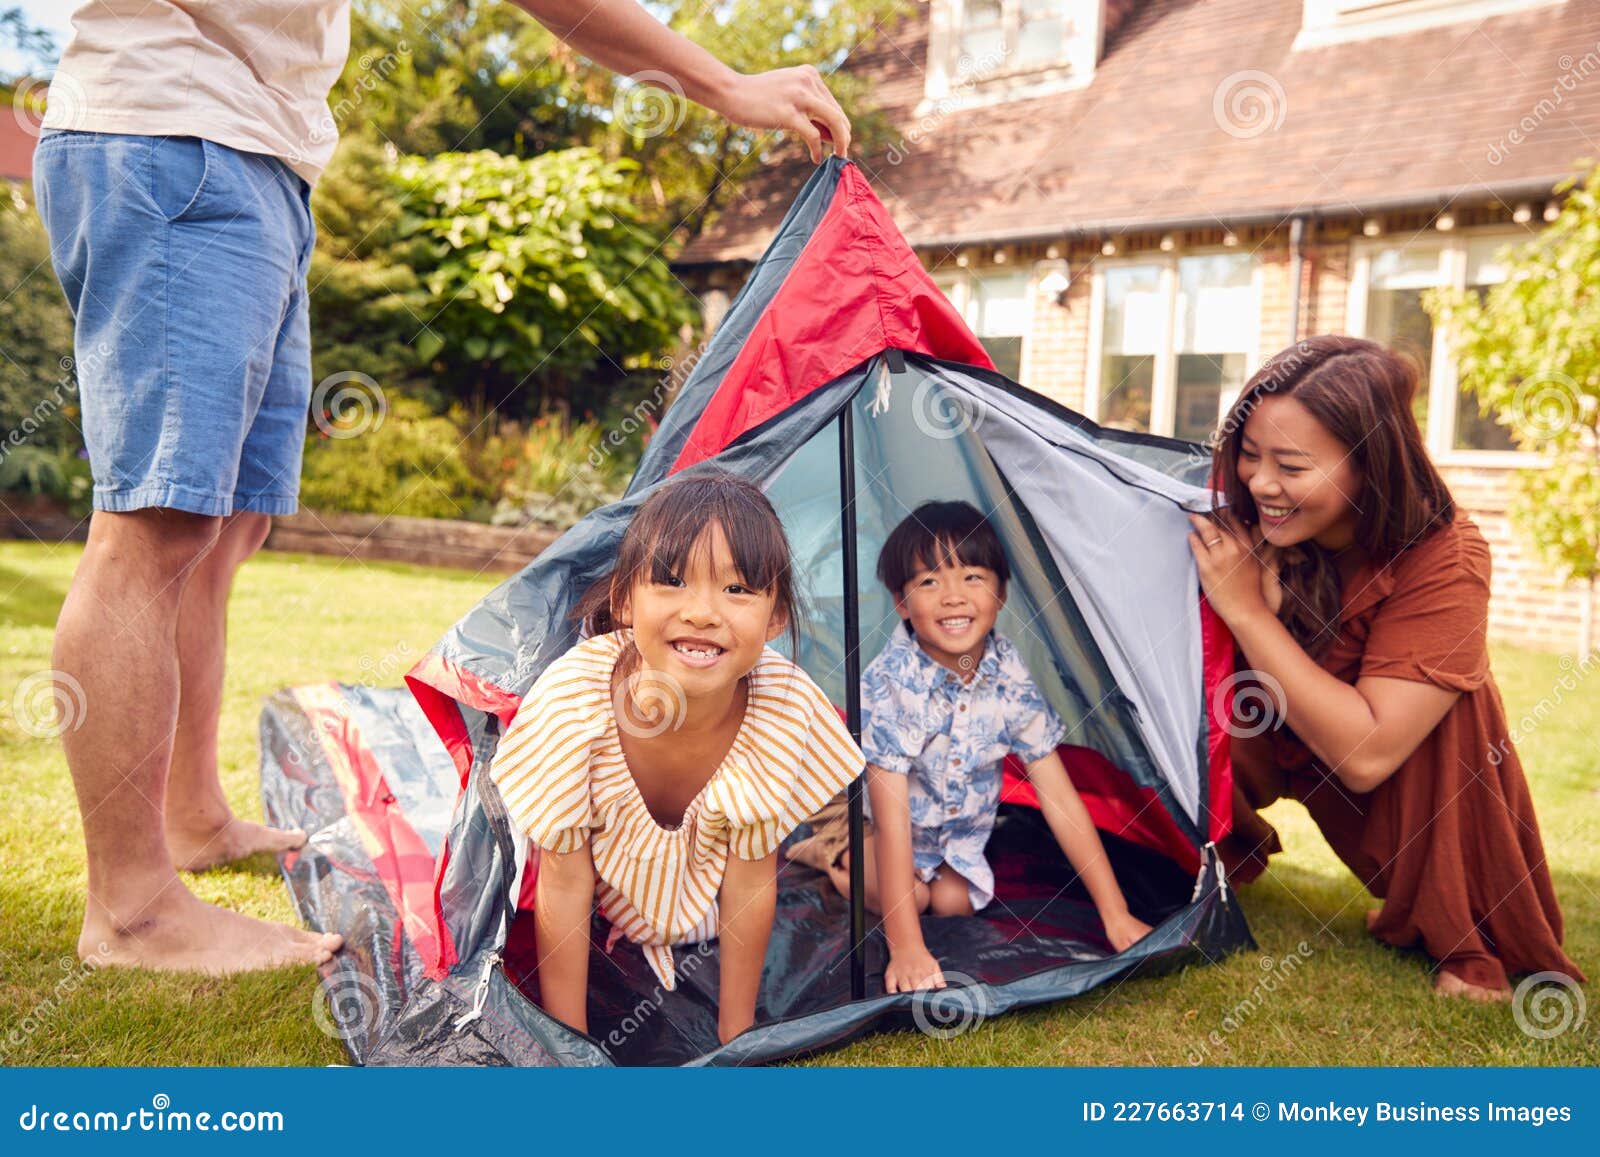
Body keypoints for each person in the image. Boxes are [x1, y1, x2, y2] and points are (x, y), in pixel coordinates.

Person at [33, 0, 852, 975]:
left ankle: (193, 820)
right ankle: (130, 907)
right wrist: (723, 85)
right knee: (157, 524)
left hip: (261, 157)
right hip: (171, 130)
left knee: (227, 527)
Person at [1191, 334, 1586, 1002]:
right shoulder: (1245, 519)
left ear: (1368, 465)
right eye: (1249, 454)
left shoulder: (1447, 557)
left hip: (1370, 759)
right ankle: (1172, 855)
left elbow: (1368, 755)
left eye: (1291, 464)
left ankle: (1460, 918)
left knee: (1455, 699)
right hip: (1266, 729)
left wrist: (1250, 613)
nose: (1260, 483)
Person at [489, 472, 864, 1043]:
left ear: (777, 618)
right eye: (672, 582)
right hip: (597, 895)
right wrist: (570, 1041)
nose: (702, 612)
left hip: (697, 901)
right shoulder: (577, 709)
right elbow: (564, 884)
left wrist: (736, 1033)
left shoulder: (778, 709)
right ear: (624, 603)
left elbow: (750, 879)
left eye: (737, 590)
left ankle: (816, 856)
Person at [800, 501, 1152, 993]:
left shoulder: (1008, 673)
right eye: (928, 581)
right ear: (901, 602)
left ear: (1001, 593)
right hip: (862, 816)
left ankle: (901, 875)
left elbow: (1060, 797)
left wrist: (1116, 916)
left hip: (943, 835)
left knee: (953, 904)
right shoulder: (893, 683)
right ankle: (828, 855)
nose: (952, 597)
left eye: (972, 577)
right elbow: (890, 816)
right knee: (916, 903)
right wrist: (907, 948)